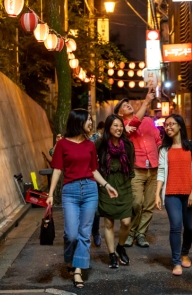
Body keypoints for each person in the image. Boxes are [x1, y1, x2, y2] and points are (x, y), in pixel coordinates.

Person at [46, 109, 118, 289]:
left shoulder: (90, 145)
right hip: (70, 191)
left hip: (90, 190)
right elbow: (57, 170)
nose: (91, 123)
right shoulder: (62, 144)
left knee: (85, 233)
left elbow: (94, 171)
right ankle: (70, 258)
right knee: (71, 234)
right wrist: (50, 194)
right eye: (88, 120)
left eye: (91, 120)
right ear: (78, 122)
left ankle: (78, 269)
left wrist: (107, 186)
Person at [155, 114, 192, 276]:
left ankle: (185, 253)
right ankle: (176, 262)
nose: (168, 128)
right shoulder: (164, 149)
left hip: (189, 192)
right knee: (176, 226)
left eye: (171, 124)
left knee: (190, 227)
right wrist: (157, 194)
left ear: (180, 125)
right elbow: (161, 172)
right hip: (171, 194)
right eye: (166, 125)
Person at [115, 88, 161, 247]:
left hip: (153, 168)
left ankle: (141, 234)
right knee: (136, 202)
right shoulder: (122, 127)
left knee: (148, 204)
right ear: (119, 114)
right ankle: (131, 232)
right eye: (123, 105)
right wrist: (147, 101)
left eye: (128, 103)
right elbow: (135, 122)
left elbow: (158, 140)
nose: (127, 105)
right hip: (136, 168)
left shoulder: (148, 121)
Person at [95, 114, 135, 268]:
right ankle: (112, 254)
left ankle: (120, 247)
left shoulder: (128, 144)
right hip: (107, 183)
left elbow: (131, 166)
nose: (119, 129)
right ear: (108, 128)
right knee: (108, 223)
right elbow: (91, 161)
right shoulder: (101, 144)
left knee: (126, 222)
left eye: (120, 126)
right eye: (115, 126)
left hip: (124, 184)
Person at [89, 121, 105, 247]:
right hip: (81, 176)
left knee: (95, 206)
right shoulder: (94, 138)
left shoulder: (96, 138)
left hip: (97, 173)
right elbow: (52, 153)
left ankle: (95, 232)